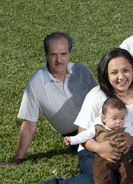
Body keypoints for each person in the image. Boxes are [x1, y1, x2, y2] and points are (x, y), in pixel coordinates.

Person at [28, 48, 133, 184]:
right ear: (106, 75)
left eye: (125, 70)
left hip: (132, 155)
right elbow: (83, 135)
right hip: (94, 153)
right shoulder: (97, 95)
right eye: (114, 72)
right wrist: (101, 148)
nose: (121, 77)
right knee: (105, 182)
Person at [1, 32, 97, 167]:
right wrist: (16, 160)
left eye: (63, 54)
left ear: (70, 53)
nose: (59, 60)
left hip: (100, 125)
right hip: (75, 136)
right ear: (46, 55)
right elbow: (29, 125)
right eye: (53, 55)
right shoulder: (35, 85)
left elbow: (101, 100)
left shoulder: (82, 71)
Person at [64, 97, 133, 184]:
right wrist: (72, 139)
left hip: (122, 157)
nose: (119, 122)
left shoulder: (126, 127)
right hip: (104, 156)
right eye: (114, 118)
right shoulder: (97, 128)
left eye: (122, 118)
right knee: (101, 167)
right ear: (104, 118)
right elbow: (84, 136)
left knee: (127, 173)